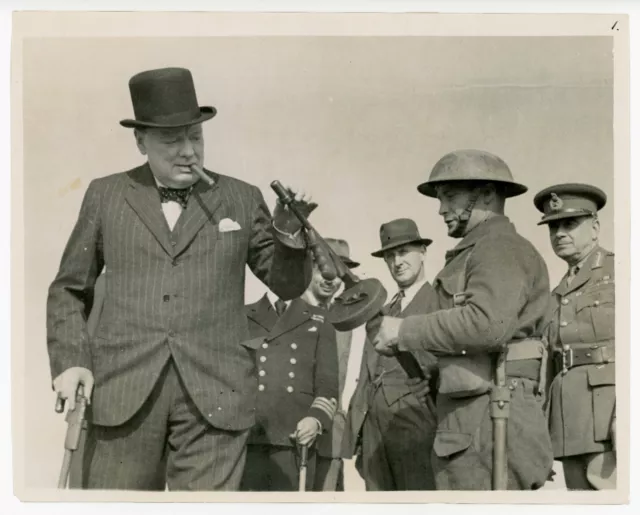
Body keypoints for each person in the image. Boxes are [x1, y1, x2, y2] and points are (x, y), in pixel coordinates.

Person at [46, 67, 314, 491]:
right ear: (141, 142)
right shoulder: (106, 195)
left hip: (217, 398)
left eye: (196, 137)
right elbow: (68, 289)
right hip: (123, 395)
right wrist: (71, 360)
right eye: (172, 140)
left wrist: (289, 234)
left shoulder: (242, 199)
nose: (189, 151)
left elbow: (287, 285)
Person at [368, 149, 554, 490]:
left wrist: (403, 330)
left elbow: (487, 324)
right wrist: (435, 374)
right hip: (471, 418)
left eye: (450, 197)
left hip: (493, 418)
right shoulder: (474, 252)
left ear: (486, 194)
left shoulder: (499, 247)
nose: (441, 209)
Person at [239, 242, 347, 491]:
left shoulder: (320, 321)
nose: (285, 275)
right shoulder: (244, 315)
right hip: (248, 437)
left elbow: (328, 387)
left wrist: (315, 419)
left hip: (295, 439)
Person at [342, 218, 439, 491]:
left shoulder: (441, 304)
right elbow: (366, 374)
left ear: (423, 251)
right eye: (390, 255)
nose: (397, 261)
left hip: (419, 429)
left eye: (404, 251)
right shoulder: (381, 311)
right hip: (374, 433)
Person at [534, 183, 616, 490]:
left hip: (610, 420)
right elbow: (549, 367)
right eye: (553, 227)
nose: (559, 234)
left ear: (595, 228)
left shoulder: (621, 272)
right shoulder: (558, 293)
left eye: (570, 224)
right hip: (570, 425)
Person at [311, 239, 361, 491]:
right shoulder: (290, 312)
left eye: (339, 272)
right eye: (323, 268)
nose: (331, 278)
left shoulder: (349, 320)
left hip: (332, 439)